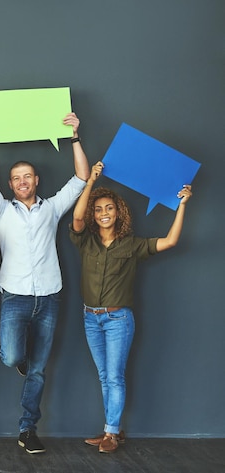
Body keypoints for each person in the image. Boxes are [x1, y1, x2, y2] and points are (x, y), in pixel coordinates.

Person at [0, 112, 90, 454]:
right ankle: (22, 357)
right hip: (15, 296)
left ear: (36, 180)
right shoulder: (1, 210)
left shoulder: (52, 208)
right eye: (16, 178)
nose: (22, 181)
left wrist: (74, 136)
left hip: (50, 297)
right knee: (12, 357)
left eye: (27, 176)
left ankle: (27, 429)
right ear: (10, 184)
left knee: (37, 371)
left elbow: (82, 177)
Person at [70, 161, 192, 453]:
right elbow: (76, 218)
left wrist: (183, 204)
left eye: (108, 208)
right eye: (98, 210)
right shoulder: (85, 242)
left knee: (114, 376)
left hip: (118, 320)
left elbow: (171, 240)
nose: (103, 214)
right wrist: (91, 182)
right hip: (90, 318)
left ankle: (111, 432)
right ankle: (112, 429)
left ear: (118, 212)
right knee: (104, 376)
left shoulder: (132, 245)